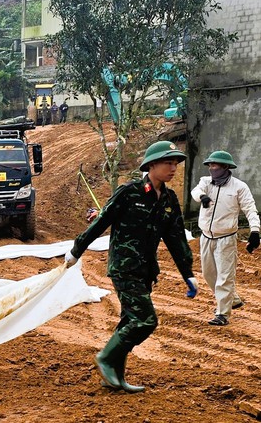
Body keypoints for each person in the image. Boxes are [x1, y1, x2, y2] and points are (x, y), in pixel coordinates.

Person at [64, 141, 197, 393]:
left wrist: (187, 273)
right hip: (124, 267)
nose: (173, 168)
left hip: (146, 270)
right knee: (145, 320)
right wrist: (76, 250)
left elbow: (176, 239)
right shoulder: (129, 192)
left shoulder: (169, 199)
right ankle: (105, 358)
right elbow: (101, 221)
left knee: (129, 320)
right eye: (168, 163)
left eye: (176, 163)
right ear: (151, 165)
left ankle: (115, 377)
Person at [190, 150, 259, 326]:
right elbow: (196, 191)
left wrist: (255, 231)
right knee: (208, 274)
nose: (211, 168)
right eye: (210, 165)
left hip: (226, 239)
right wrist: (202, 197)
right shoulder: (206, 182)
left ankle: (222, 314)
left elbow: (250, 209)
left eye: (214, 165)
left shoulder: (239, 187)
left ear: (225, 167)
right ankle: (232, 299)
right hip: (206, 237)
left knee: (225, 277)